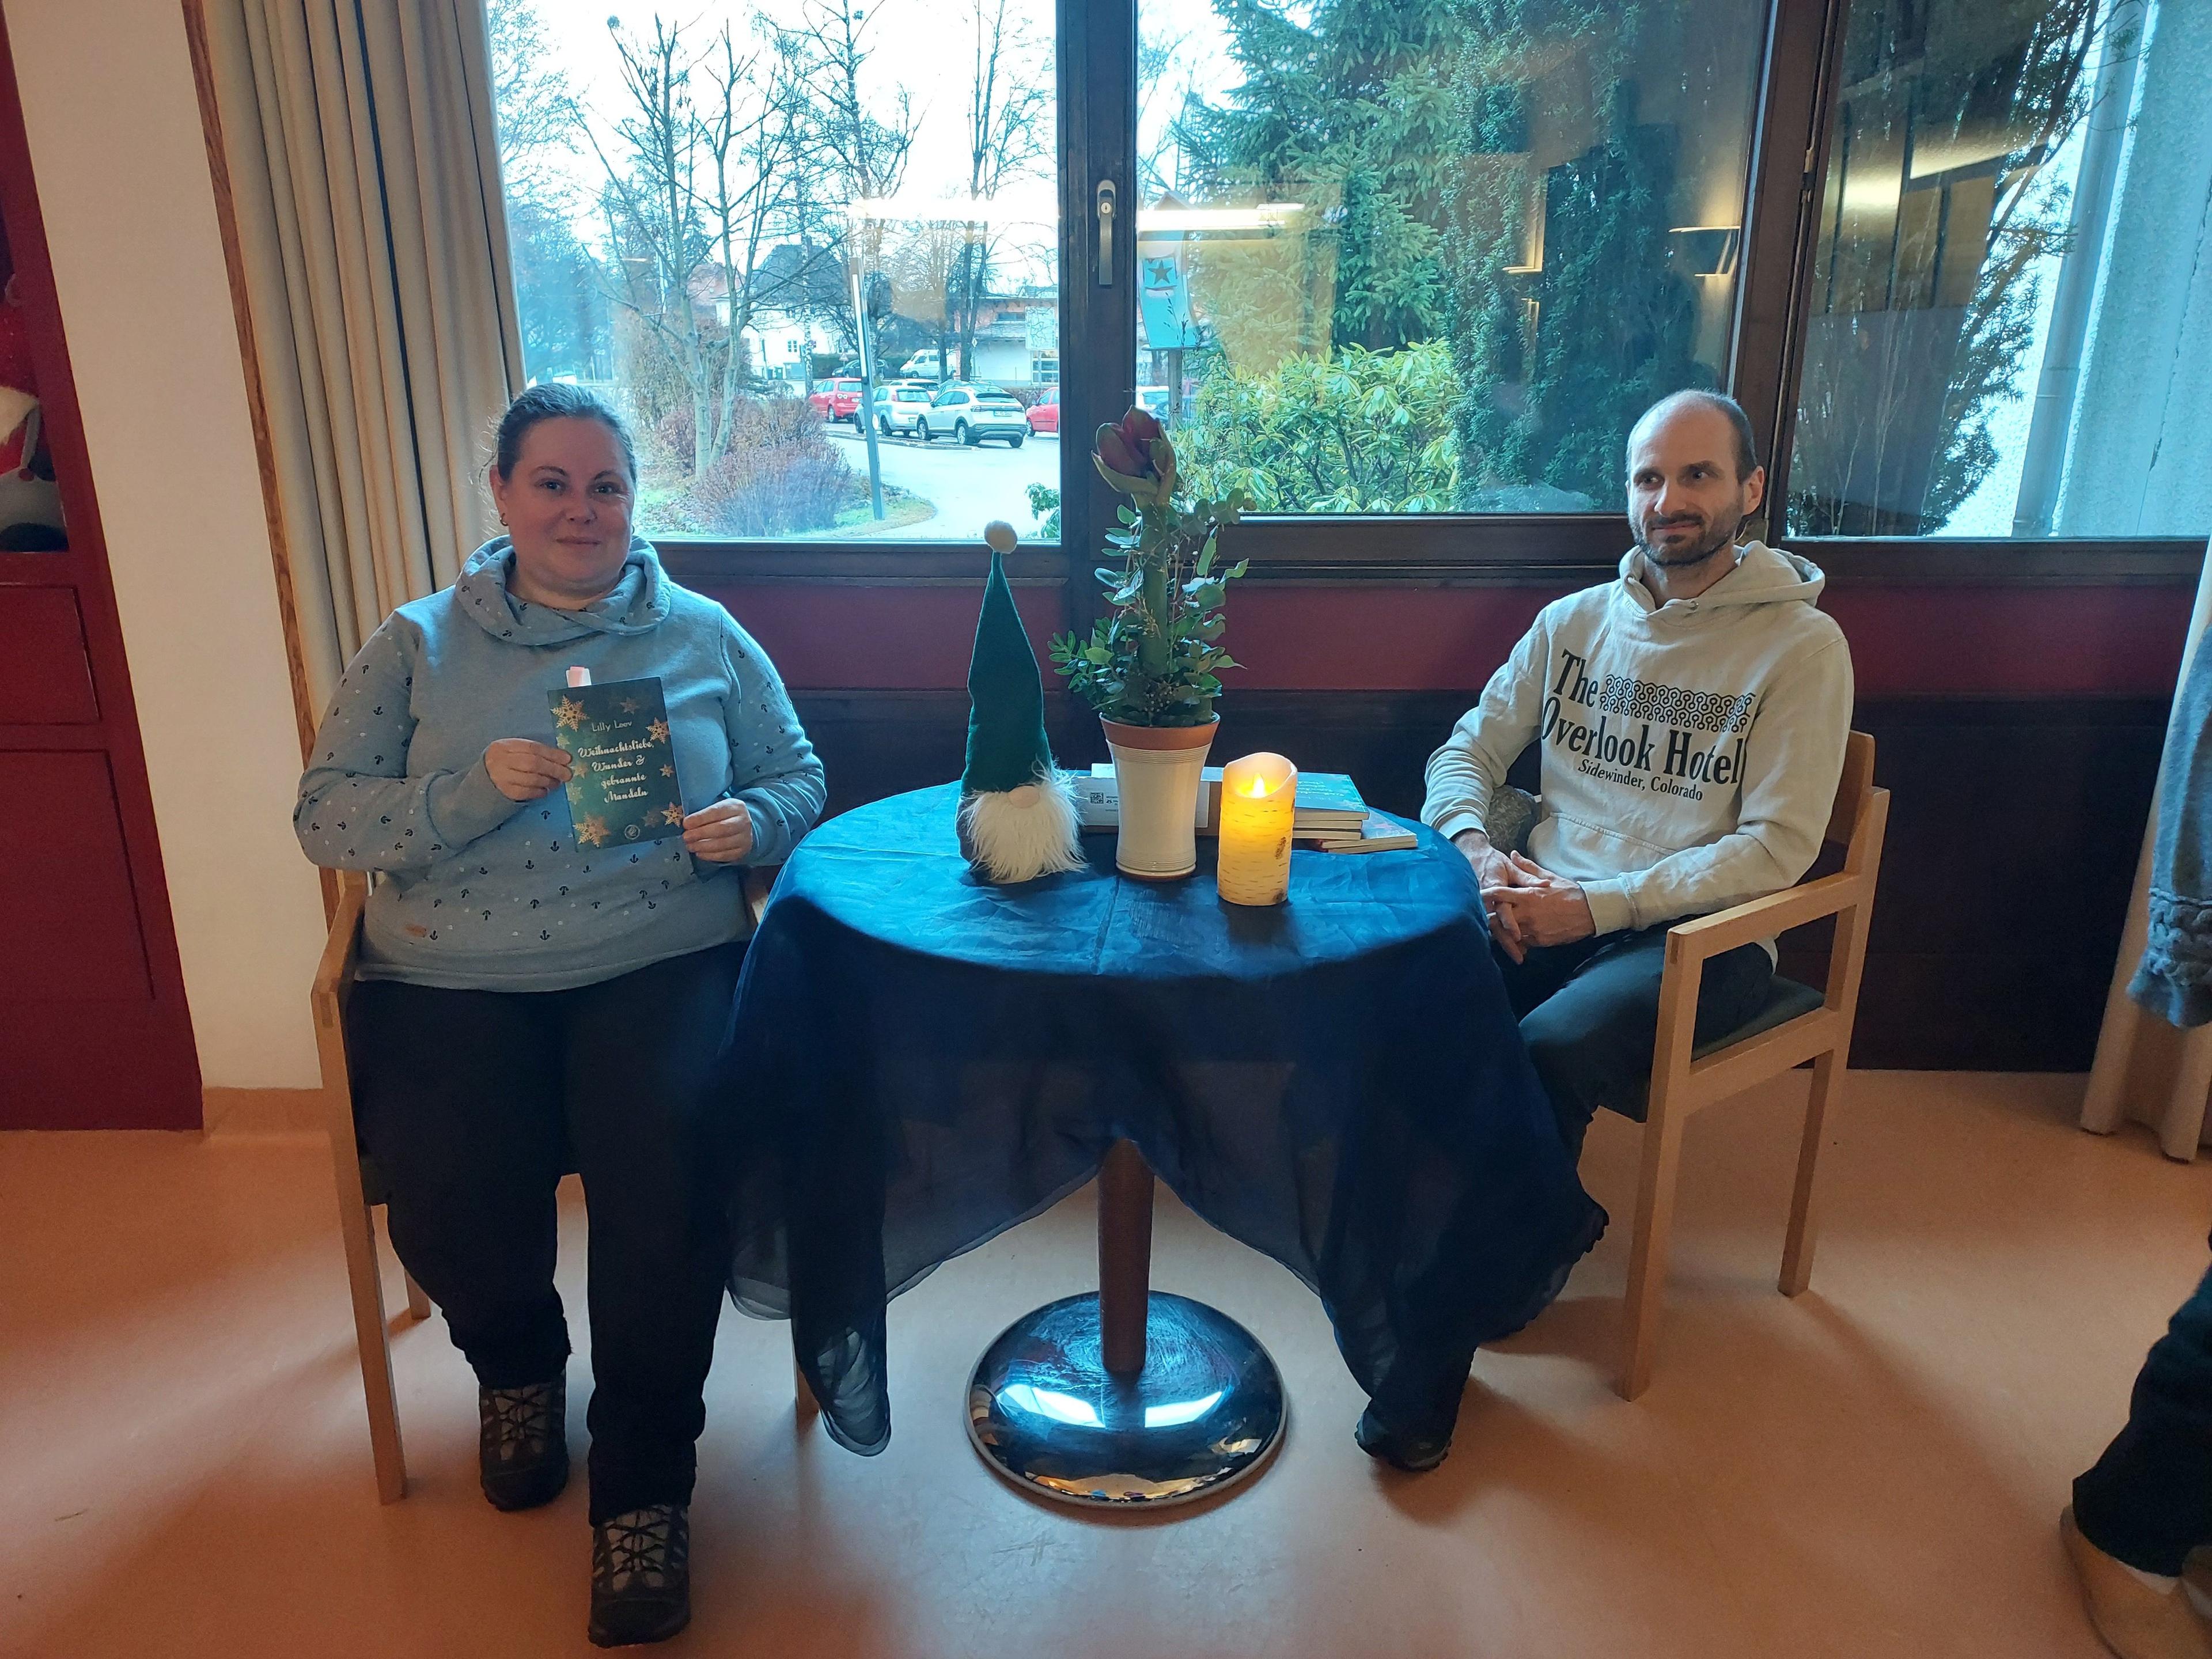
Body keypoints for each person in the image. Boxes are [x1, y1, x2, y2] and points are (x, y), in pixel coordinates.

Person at [294, 383, 824, 1648]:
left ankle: (644, 1484)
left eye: (606, 487)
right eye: (552, 483)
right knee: (447, 1179)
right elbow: (324, 816)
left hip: (658, 956)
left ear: (635, 501)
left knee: (668, 1178)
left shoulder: (704, 632)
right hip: (451, 971)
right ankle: (518, 1366)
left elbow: (797, 773)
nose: (582, 510)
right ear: (502, 494)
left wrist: (752, 823)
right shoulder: (415, 643)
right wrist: (463, 793)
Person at [1422, 389, 1853, 1156]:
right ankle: (1428, 1209)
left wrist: (1597, 908)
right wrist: (1474, 851)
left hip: (1700, 939)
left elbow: (1777, 847)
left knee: (1549, 1050)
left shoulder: (1804, 647)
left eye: (1698, 476)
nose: (1668, 501)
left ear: (1751, 489)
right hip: (1544, 900)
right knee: (1408, 993)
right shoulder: (1572, 622)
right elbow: (1466, 752)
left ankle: (1523, 1234)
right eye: (1649, 479)